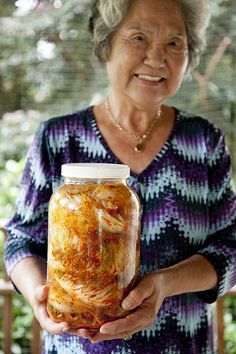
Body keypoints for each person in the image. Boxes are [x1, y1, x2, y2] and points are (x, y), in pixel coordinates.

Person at [4, 0, 236, 353]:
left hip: (182, 344)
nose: (157, 59)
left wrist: (164, 283)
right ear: (106, 44)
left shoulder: (203, 141)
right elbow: (21, 240)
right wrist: (39, 294)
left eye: (174, 43)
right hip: (77, 344)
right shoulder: (57, 138)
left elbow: (230, 245)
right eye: (139, 38)